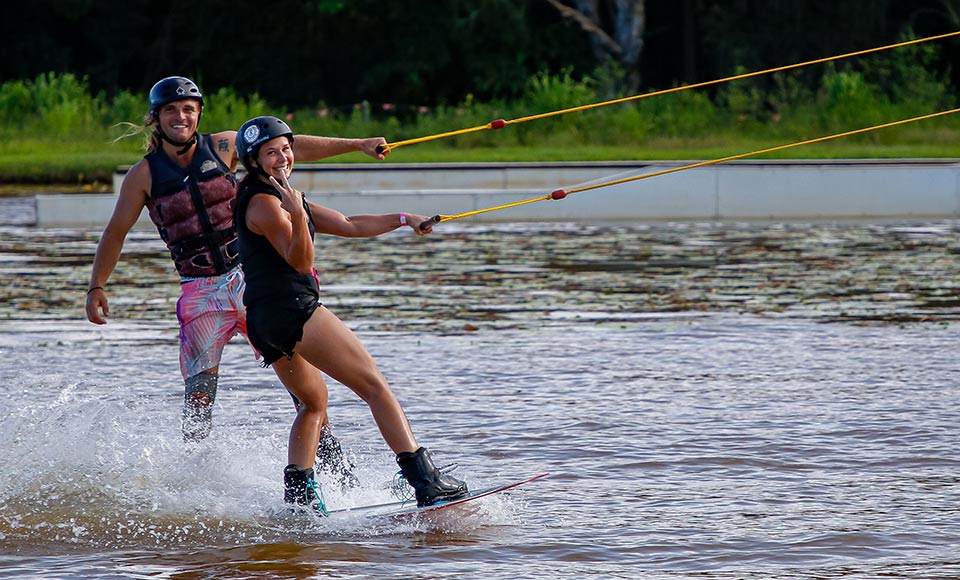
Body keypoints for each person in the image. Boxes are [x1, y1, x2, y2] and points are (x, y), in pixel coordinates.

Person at [85, 77, 379, 484]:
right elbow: (116, 230)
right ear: (156, 118)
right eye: (171, 110)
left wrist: (357, 144)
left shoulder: (224, 146)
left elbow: (288, 145)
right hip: (199, 290)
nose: (181, 117)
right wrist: (97, 285)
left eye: (188, 108)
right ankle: (194, 481)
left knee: (303, 386)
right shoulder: (143, 175)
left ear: (198, 113)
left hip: (251, 282)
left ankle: (333, 472)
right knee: (199, 396)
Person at [234, 115, 468, 512]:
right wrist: (294, 215)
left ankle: (301, 499)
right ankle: (425, 481)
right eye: (271, 153)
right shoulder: (265, 204)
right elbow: (300, 262)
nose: (282, 157)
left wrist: (403, 219)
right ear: (254, 162)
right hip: (294, 310)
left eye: (286, 149)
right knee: (374, 386)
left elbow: (348, 223)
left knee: (313, 404)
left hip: (263, 319)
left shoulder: (283, 194)